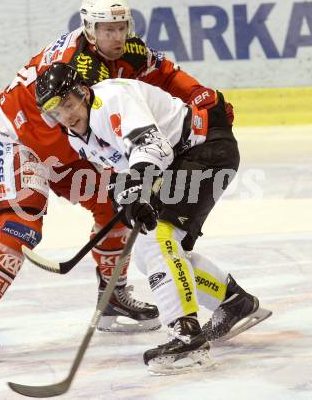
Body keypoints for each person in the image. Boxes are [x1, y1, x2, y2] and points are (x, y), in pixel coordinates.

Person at [0, 0, 236, 364]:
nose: (116, 36)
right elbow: (64, 122)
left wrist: (202, 99)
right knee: (22, 224)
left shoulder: (127, 51)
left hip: (70, 138)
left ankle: (112, 297)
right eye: (106, 29)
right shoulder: (75, 68)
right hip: (17, 138)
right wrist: (123, 168)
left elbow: (166, 74)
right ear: (88, 28)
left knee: (115, 205)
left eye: (120, 27)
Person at [34, 62, 272, 374]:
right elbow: (122, 169)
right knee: (154, 253)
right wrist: (129, 196)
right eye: (55, 112)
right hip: (181, 161)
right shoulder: (77, 137)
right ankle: (233, 303)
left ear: (82, 93)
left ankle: (187, 336)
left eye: (68, 104)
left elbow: (152, 147)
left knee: (156, 239)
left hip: (205, 149)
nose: (66, 116)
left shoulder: (113, 100)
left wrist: (137, 185)